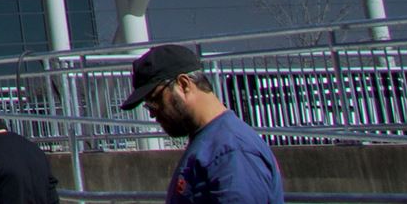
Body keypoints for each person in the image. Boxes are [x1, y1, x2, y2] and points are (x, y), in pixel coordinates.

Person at [120, 42, 285, 204]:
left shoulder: (231, 150)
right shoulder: (213, 142)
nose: (152, 113)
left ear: (184, 84)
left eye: (155, 100)